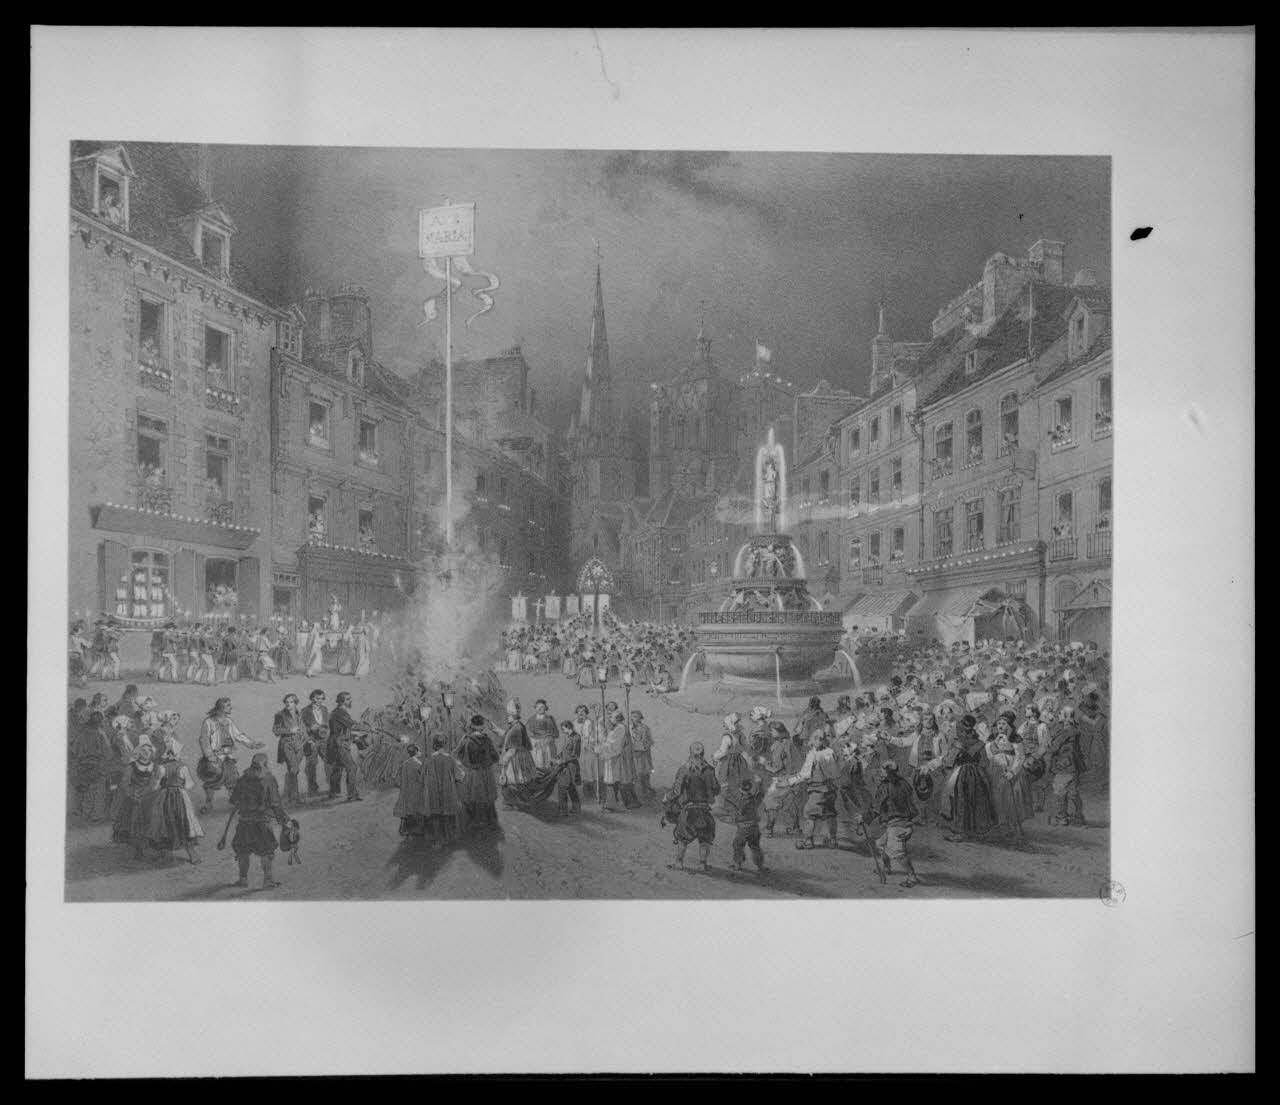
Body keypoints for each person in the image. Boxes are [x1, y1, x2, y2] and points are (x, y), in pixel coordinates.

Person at [226, 753, 289, 889]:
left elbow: (234, 800)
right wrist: (284, 821)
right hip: (262, 823)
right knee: (266, 852)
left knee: (243, 852)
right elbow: (275, 803)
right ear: (265, 764)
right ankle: (267, 881)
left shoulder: (242, 779)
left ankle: (243, 880)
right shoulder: (269, 779)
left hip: (244, 823)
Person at [860, 761, 921, 887]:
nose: (880, 774)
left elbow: (876, 807)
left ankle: (912, 876)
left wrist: (863, 818)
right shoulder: (904, 783)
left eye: (882, 771)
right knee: (881, 844)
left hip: (898, 824)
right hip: (902, 822)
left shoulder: (885, 787)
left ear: (888, 773)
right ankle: (887, 868)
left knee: (896, 851)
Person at [196, 698, 261, 814]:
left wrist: (252, 743)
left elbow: (238, 735)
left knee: (233, 780)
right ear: (221, 708)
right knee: (213, 781)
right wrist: (210, 756)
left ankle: (236, 803)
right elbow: (204, 740)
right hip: (216, 758)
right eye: (228, 706)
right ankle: (208, 803)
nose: (231, 708)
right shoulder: (209, 722)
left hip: (229, 757)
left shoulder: (229, 722)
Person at [143, 740, 203, 864]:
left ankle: (165, 854)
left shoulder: (161, 768)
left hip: (164, 797)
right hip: (181, 797)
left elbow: (155, 786)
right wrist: (180, 787)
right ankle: (192, 854)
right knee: (184, 821)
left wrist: (149, 789)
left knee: (164, 822)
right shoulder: (183, 767)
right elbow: (190, 784)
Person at [938, 715, 997, 842]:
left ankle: (960, 832)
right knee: (976, 801)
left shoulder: (958, 744)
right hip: (977, 775)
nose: (958, 732)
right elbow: (985, 762)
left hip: (960, 774)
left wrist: (945, 763)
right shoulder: (980, 744)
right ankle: (976, 830)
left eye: (959, 730)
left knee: (960, 801)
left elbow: (948, 762)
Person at [666, 742, 720, 871]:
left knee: (682, 838)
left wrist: (667, 797)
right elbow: (716, 789)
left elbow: (676, 791)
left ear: (690, 754)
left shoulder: (684, 769)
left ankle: (679, 863)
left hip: (689, 810)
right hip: (704, 810)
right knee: (705, 839)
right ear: (703, 754)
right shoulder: (710, 770)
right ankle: (702, 864)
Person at [786, 731, 843, 849]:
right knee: (830, 814)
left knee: (809, 814)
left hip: (818, 790)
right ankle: (833, 840)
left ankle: (808, 840)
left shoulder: (813, 754)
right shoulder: (829, 752)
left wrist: (790, 782)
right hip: (830, 790)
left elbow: (804, 774)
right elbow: (836, 773)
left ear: (815, 740)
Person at [986, 711, 1033, 842]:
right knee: (995, 797)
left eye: (1004, 723)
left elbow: (1020, 757)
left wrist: (1012, 771)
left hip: (1011, 772)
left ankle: (1013, 828)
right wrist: (996, 757)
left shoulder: (1016, 739)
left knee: (1009, 798)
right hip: (994, 770)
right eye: (999, 723)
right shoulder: (992, 738)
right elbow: (989, 754)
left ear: (1009, 725)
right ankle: (998, 826)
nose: (1001, 726)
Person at [456, 714, 501, 829]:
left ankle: (473, 820)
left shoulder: (467, 740)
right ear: (482, 726)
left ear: (472, 725)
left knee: (472, 796)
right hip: (486, 772)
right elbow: (495, 757)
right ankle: (489, 820)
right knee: (486, 796)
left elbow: (459, 755)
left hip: (473, 773)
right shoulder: (487, 740)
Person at [1046, 706, 1087, 827]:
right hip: (1072, 766)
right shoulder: (1070, 729)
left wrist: (1048, 741)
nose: (1058, 714)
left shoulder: (1067, 731)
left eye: (1060, 713)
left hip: (1064, 766)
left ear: (1066, 717)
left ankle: (1062, 818)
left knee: (1060, 792)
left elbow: (1053, 748)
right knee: (1073, 793)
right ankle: (1078, 817)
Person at [762, 721, 804, 836]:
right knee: (790, 804)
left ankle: (769, 828)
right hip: (795, 780)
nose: (770, 732)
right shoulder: (790, 743)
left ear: (779, 732)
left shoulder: (779, 745)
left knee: (770, 801)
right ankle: (795, 828)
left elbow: (776, 767)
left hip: (783, 780)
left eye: (772, 730)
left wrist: (764, 762)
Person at [70, 710, 114, 820]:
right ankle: (95, 815)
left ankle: (84, 813)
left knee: (85, 789)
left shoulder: (82, 733)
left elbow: (74, 750)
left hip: (82, 765)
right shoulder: (101, 733)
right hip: (96, 764)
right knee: (97, 790)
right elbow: (108, 752)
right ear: (100, 721)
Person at [599, 703, 642, 810]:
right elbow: (609, 741)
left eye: (611, 717)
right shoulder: (617, 728)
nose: (610, 719)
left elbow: (615, 746)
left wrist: (602, 750)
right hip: (617, 758)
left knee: (622, 780)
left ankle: (627, 803)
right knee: (617, 781)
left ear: (617, 719)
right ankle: (614, 803)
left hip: (620, 759)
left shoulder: (620, 728)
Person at [498, 699, 536, 810]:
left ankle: (516, 803)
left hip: (516, 757)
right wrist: (494, 728)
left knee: (512, 780)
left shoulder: (517, 728)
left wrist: (504, 759)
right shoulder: (515, 726)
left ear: (512, 716)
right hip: (515, 755)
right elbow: (506, 736)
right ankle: (515, 802)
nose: (507, 717)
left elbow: (513, 748)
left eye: (508, 715)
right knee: (513, 780)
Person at [326, 691, 362, 802]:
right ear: (342, 701)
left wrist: (352, 736)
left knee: (338, 767)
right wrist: (369, 728)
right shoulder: (339, 713)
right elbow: (352, 724)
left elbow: (344, 729)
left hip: (338, 743)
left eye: (350, 698)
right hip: (338, 744)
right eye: (348, 699)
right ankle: (352, 795)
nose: (350, 701)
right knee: (351, 767)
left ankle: (334, 792)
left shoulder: (340, 712)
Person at [728, 777, 767, 873]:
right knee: (755, 846)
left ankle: (738, 864)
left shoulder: (742, 800)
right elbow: (761, 794)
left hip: (744, 828)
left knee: (737, 845)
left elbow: (740, 812)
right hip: (754, 827)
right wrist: (760, 784)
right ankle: (760, 867)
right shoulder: (754, 799)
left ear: (741, 789)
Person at [273, 694, 305, 805]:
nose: (288, 704)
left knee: (293, 771)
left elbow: (303, 729)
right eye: (286, 702)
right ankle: (295, 797)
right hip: (287, 745)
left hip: (299, 745)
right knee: (294, 769)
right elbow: (276, 731)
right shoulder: (280, 715)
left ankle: (288, 794)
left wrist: (308, 740)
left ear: (296, 703)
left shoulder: (300, 714)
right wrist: (290, 730)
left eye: (291, 702)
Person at [300, 689, 329, 799]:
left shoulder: (325, 709)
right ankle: (312, 790)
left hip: (324, 740)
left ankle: (332, 787)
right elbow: (302, 728)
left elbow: (328, 724)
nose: (319, 701)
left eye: (322, 698)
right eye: (317, 698)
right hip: (311, 741)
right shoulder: (304, 711)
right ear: (312, 698)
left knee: (329, 762)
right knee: (311, 766)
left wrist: (326, 731)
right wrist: (309, 734)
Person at [393, 744, 427, 838]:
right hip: (415, 789)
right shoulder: (418, 763)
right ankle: (416, 830)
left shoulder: (405, 763)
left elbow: (398, 779)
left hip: (406, 789)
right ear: (416, 751)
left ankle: (406, 830)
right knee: (416, 809)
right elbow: (423, 776)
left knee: (407, 809)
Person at [553, 719, 582, 818]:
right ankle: (575, 808)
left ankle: (564, 811)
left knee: (563, 787)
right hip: (565, 765)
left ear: (568, 727)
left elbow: (575, 755)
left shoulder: (577, 738)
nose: (563, 731)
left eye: (563, 728)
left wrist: (562, 760)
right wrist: (558, 756)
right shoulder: (567, 737)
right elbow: (563, 750)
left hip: (571, 766)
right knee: (569, 787)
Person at [629, 709, 655, 798]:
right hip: (634, 756)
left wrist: (641, 746)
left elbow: (650, 741)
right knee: (636, 775)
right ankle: (638, 793)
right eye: (632, 716)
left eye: (636, 716)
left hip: (644, 756)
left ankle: (647, 791)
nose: (634, 718)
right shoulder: (629, 728)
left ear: (640, 718)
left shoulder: (645, 728)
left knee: (645, 774)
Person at [527, 699, 558, 770]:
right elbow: (527, 730)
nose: (540, 709)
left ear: (545, 708)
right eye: (538, 707)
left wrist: (546, 739)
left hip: (546, 743)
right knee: (535, 761)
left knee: (546, 762)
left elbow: (554, 733)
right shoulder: (531, 719)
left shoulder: (549, 719)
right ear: (535, 708)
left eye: (542, 707)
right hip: (534, 742)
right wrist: (533, 739)